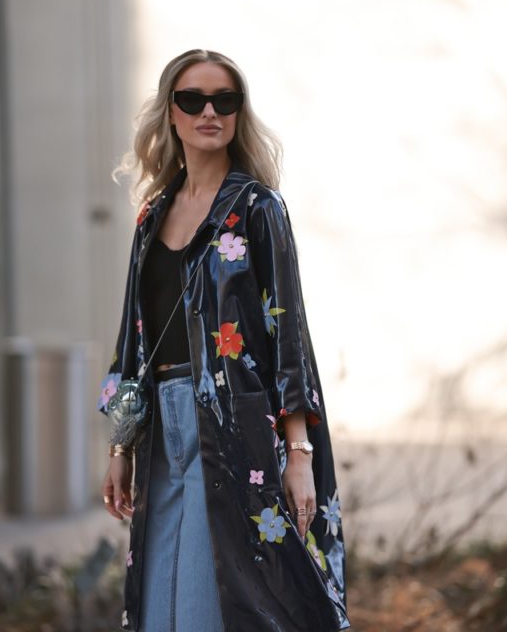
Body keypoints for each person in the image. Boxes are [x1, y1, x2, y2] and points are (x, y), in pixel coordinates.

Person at [98, 48, 349, 632]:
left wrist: (300, 453)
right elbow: (131, 342)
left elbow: (289, 332)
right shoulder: (151, 217)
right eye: (193, 100)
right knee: (158, 588)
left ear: (239, 113)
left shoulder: (259, 209)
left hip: (236, 422)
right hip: (162, 421)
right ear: (172, 113)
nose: (209, 111)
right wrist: (119, 447)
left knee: (225, 589)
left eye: (224, 100)